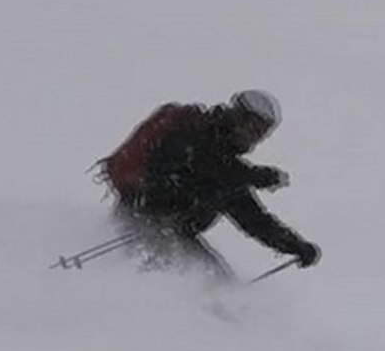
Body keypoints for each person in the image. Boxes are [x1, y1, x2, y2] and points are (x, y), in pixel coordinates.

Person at [94, 90, 321, 281]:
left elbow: (254, 220)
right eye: (252, 127)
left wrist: (296, 246)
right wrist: (253, 176)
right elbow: (196, 171)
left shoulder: (228, 169)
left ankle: (228, 325)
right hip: (141, 225)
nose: (254, 137)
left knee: (219, 287)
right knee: (191, 288)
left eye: (261, 133)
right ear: (236, 116)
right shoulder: (193, 133)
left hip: (173, 233)